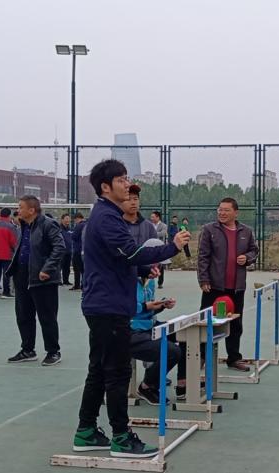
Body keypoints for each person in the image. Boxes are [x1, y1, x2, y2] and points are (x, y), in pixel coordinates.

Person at [73, 159, 189, 457]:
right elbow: (131, 253)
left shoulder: (108, 215)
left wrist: (142, 270)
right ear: (105, 187)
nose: (127, 185)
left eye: (127, 179)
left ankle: (86, 431)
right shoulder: (107, 218)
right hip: (108, 306)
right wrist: (173, 247)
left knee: (99, 370)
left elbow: (118, 259)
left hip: (105, 304)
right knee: (117, 372)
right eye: (122, 180)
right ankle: (122, 439)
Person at [197, 197, 258, 372]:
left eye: (226, 210)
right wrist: (204, 279)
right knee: (207, 322)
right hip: (214, 287)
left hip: (237, 287)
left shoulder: (246, 231)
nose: (222, 213)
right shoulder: (209, 230)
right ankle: (201, 356)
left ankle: (234, 358)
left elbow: (254, 251)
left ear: (235, 213)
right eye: (220, 210)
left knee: (235, 324)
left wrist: (247, 258)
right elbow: (203, 256)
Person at [5, 195, 66, 366]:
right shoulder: (23, 225)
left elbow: (59, 247)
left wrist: (47, 268)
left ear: (32, 210)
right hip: (22, 275)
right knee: (23, 315)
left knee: (47, 316)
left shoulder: (48, 224)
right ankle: (27, 350)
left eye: (21, 207)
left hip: (42, 277)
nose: (18, 210)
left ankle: (53, 351)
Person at [128, 239, 182, 406]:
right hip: (131, 331)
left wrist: (162, 305)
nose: (159, 267)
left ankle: (184, 384)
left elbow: (149, 308)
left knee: (186, 335)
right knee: (172, 351)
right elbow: (125, 308)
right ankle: (147, 386)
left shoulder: (151, 280)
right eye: (157, 263)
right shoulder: (127, 278)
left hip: (149, 326)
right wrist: (146, 306)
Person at [0, 207, 19, 298]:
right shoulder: (11, 227)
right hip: (7, 253)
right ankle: (6, 292)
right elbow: (13, 242)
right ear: (9, 215)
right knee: (6, 273)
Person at [150, 211, 170, 287]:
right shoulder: (149, 225)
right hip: (150, 247)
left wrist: (153, 234)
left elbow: (163, 234)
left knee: (160, 265)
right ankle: (149, 282)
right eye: (151, 217)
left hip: (160, 247)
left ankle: (160, 282)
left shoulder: (164, 226)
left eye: (153, 217)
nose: (151, 218)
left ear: (158, 217)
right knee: (149, 264)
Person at [70, 213, 86, 291]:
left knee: (77, 268)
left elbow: (74, 236)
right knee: (84, 269)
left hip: (77, 250)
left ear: (77, 218)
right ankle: (84, 284)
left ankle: (77, 285)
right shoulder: (87, 225)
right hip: (84, 250)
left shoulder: (79, 226)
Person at [60, 213, 73, 286]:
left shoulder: (70, 229)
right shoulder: (59, 229)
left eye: (69, 218)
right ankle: (59, 281)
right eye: (66, 218)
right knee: (59, 267)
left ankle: (66, 280)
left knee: (67, 267)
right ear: (62, 220)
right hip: (61, 251)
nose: (68, 220)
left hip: (69, 251)